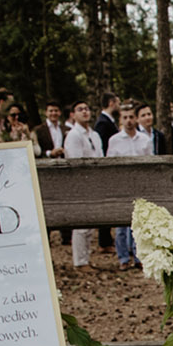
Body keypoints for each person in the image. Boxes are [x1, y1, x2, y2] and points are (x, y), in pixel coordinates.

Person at [107, 105, 152, 266]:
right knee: (121, 226)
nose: (129, 121)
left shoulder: (145, 140)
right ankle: (123, 258)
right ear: (120, 120)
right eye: (125, 117)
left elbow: (150, 163)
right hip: (122, 186)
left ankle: (139, 256)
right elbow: (110, 165)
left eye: (131, 117)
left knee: (139, 223)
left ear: (136, 118)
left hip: (140, 185)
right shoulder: (114, 140)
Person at [63, 102, 102, 267]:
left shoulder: (94, 135)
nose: (85, 112)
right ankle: (79, 261)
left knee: (90, 224)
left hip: (95, 181)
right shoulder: (73, 135)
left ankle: (86, 258)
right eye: (80, 110)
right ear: (73, 114)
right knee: (81, 225)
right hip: (80, 183)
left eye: (87, 109)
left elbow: (100, 156)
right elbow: (75, 161)